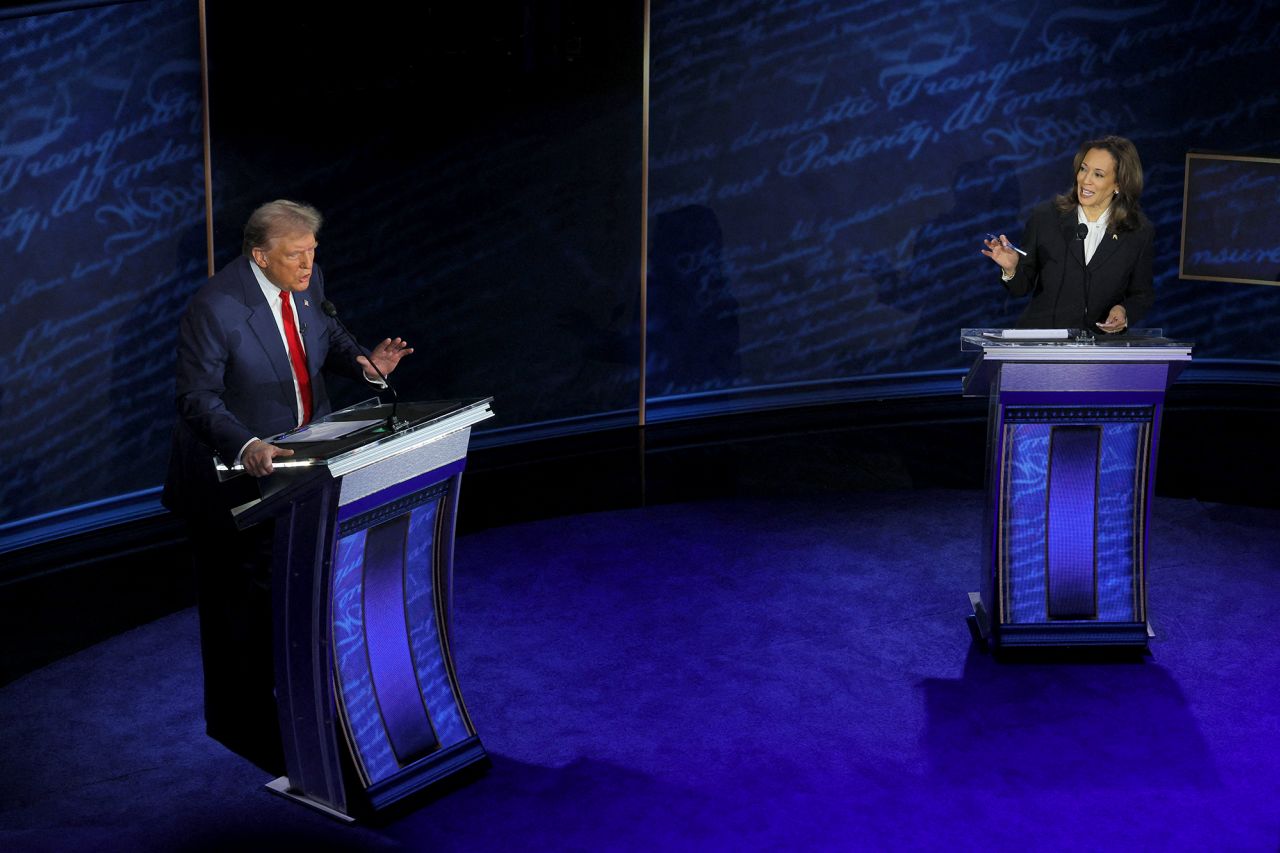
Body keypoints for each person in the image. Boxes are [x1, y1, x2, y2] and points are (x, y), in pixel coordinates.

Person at [162, 199, 412, 772]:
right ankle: (242, 726)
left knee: (296, 591)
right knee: (240, 610)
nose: (307, 265)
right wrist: (246, 445)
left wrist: (363, 362)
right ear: (259, 256)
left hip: (302, 466)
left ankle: (305, 707)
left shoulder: (307, 279)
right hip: (232, 481)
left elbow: (327, 327)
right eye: (296, 255)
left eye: (312, 253)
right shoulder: (215, 307)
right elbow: (195, 398)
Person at [982, 135, 1154, 332]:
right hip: (1043, 344)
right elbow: (1021, 288)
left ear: (1119, 184)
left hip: (1099, 350)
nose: (1085, 180)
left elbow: (1142, 295)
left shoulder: (1138, 231)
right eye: (1083, 169)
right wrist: (1012, 269)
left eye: (1098, 174)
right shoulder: (1045, 217)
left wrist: (1123, 311)